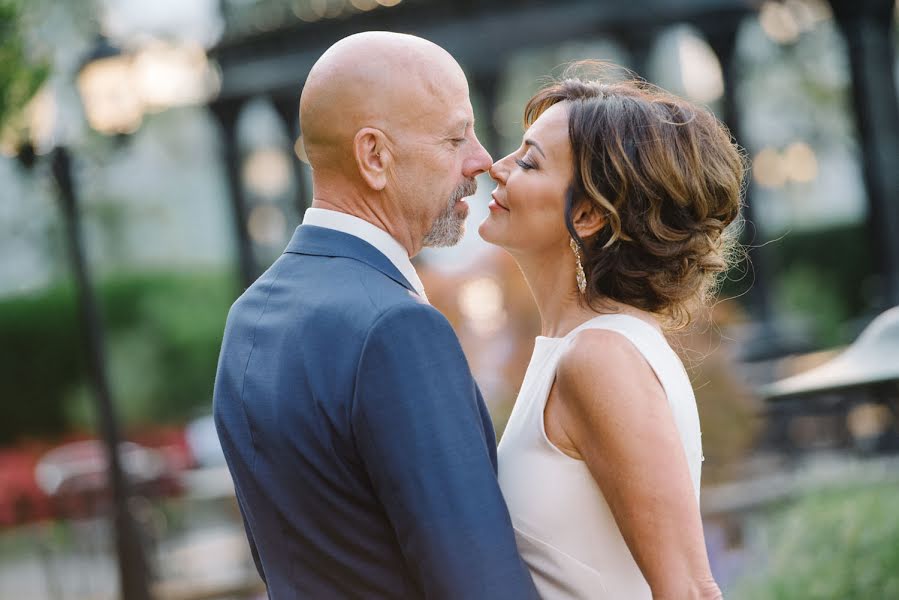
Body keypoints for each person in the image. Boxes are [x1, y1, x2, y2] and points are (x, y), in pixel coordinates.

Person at [212, 32, 538, 599]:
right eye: (457, 137)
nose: (482, 161)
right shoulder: (397, 330)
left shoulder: (249, 316)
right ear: (374, 156)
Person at [482, 65, 743, 599]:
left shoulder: (600, 357)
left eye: (529, 161)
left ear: (586, 215)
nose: (497, 167)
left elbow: (689, 589)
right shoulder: (575, 349)